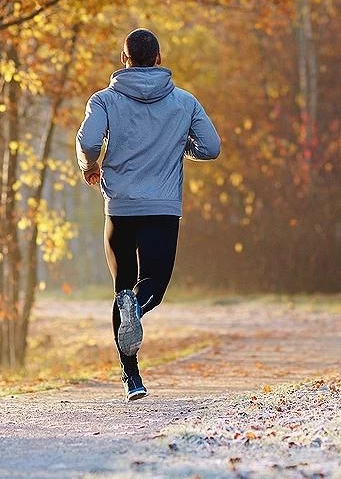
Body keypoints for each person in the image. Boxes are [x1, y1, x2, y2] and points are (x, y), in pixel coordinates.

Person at [76, 28, 221, 402]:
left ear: (125, 60)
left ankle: (132, 377)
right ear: (158, 58)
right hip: (162, 208)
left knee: (122, 285)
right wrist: (178, 146)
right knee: (151, 285)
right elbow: (210, 147)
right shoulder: (185, 102)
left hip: (120, 207)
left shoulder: (104, 100)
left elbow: (89, 141)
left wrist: (90, 166)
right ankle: (136, 308)